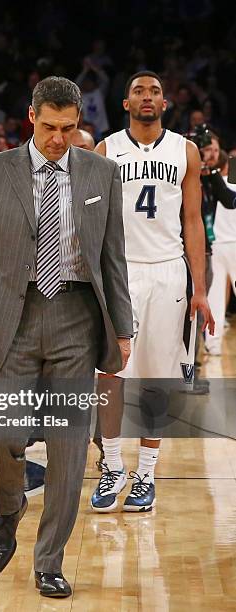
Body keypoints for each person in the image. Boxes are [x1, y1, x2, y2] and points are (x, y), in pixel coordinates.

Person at [0, 76, 133, 598]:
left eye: (69, 128)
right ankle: (7, 508)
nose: (59, 138)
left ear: (79, 124)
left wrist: (123, 328)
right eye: (50, 127)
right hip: (15, 318)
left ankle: (49, 559)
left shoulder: (101, 172)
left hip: (77, 319)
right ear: (31, 117)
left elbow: (112, 258)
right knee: (3, 438)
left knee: (69, 449)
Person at [90, 71, 214, 513]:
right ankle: (112, 465)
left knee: (157, 377)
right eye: (139, 91)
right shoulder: (107, 149)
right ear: (126, 103)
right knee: (110, 374)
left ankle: (145, 471)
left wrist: (200, 289)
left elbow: (194, 221)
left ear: (165, 103)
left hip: (167, 271)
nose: (147, 97)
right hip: (120, 273)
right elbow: (95, 224)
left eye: (155, 91)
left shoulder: (186, 151)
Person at [204, 149, 236, 355]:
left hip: (215, 245)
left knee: (214, 296)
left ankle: (212, 344)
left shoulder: (209, 187)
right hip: (233, 244)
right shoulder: (227, 188)